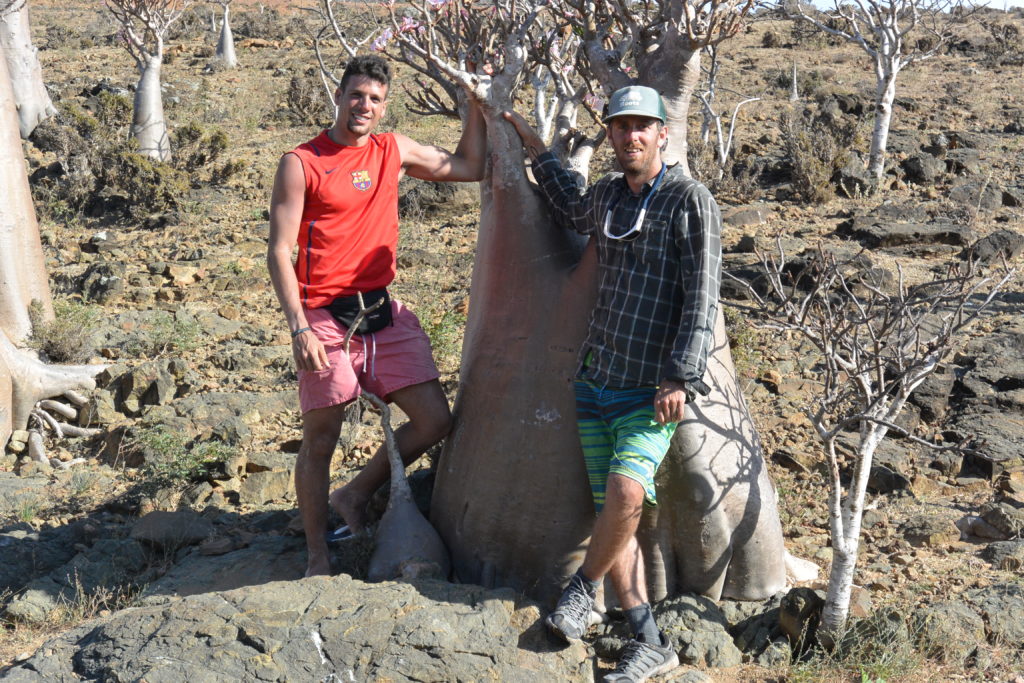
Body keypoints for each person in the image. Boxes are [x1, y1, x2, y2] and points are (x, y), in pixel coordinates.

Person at [503, 85, 722, 682]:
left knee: (626, 497)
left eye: (641, 127)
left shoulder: (689, 200)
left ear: (661, 134)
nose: (630, 137)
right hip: (596, 380)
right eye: (621, 127)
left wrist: (681, 374)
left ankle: (581, 590)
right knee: (613, 519)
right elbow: (566, 205)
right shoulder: (606, 198)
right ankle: (649, 642)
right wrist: (534, 147)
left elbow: (702, 296)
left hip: (651, 391)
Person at [268, 55, 485, 577]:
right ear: (339, 97)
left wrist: (477, 100)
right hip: (321, 314)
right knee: (322, 435)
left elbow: (469, 167)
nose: (364, 106)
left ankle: (355, 493)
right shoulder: (302, 161)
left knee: (435, 420)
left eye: (375, 99)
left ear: (383, 107)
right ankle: (318, 553)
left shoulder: (393, 150)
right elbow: (279, 251)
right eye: (356, 95)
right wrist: (298, 324)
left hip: (380, 310)